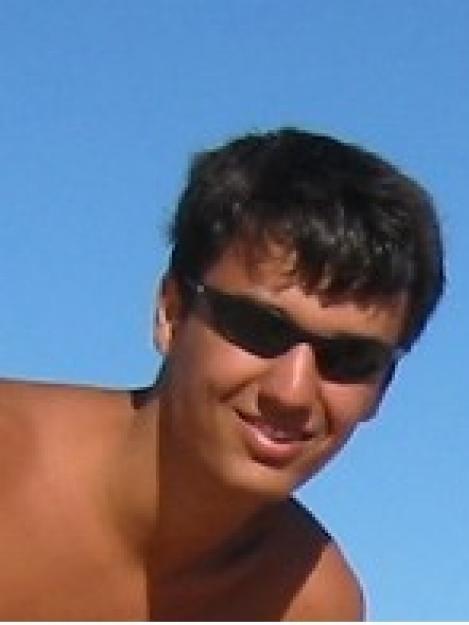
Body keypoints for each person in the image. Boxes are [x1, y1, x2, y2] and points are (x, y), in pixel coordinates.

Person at [0, 127, 444, 620]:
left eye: (350, 358)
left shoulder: (308, 606)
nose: (293, 392)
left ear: (383, 389)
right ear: (172, 313)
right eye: (259, 328)